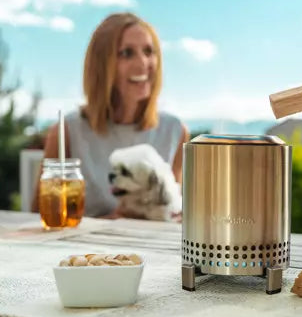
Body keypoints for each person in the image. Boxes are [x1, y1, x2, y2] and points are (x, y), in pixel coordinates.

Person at [32, 12, 189, 219]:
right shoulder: (67, 132)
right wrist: (114, 221)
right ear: (101, 65)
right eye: (127, 53)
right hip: (87, 251)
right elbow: (38, 217)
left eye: (149, 51)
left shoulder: (175, 132)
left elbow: (172, 208)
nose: (143, 63)